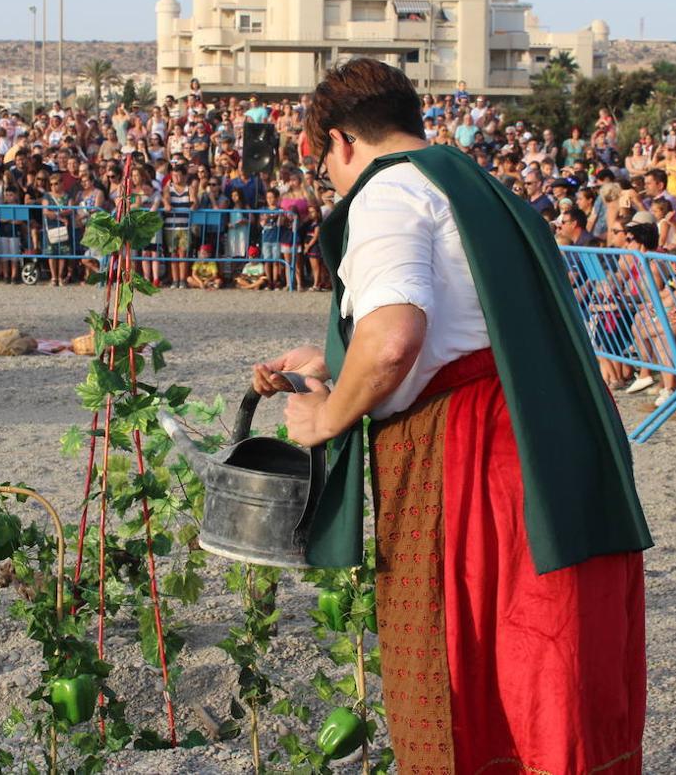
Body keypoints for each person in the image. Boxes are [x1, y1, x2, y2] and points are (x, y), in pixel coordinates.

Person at [252, 58, 649, 774]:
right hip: (550, 431)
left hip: (476, 458)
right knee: (558, 673)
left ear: (340, 142)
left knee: (480, 676)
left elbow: (394, 342)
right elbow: (468, 329)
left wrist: (327, 416)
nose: (332, 183)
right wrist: (332, 360)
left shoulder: (386, 194)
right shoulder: (476, 187)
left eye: (324, 167)